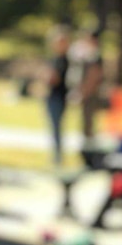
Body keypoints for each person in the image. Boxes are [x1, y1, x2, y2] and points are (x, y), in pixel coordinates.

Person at [46, 29, 71, 166]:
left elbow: (53, 78)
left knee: (57, 128)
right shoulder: (55, 59)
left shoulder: (63, 60)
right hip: (53, 96)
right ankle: (56, 156)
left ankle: (58, 158)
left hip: (58, 97)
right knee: (54, 128)